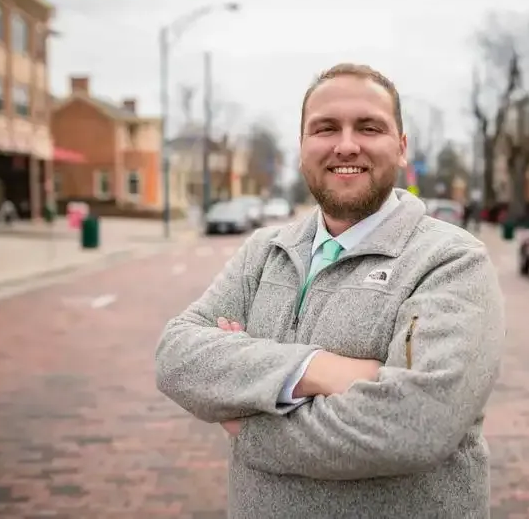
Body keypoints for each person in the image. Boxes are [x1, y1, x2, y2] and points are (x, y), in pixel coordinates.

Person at [155, 63, 505, 519]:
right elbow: (176, 357)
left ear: (401, 148)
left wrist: (248, 420)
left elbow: (417, 424)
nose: (346, 145)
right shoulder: (264, 251)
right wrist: (318, 370)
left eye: (369, 127)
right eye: (325, 128)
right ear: (302, 148)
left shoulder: (452, 260)